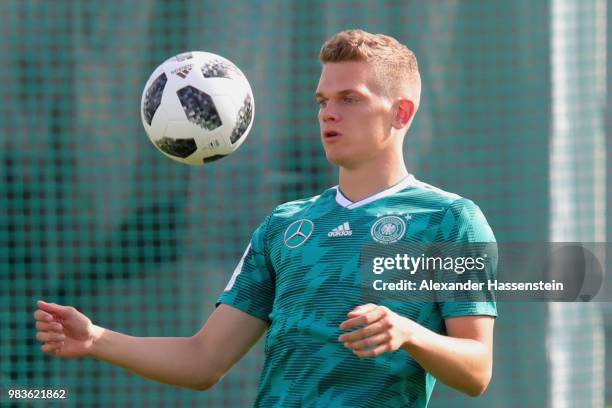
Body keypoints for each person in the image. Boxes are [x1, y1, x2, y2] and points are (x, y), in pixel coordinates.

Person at [34, 29, 497, 407]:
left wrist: (409, 333)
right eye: (322, 100)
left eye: (349, 99)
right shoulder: (285, 225)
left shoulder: (449, 221)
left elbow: (477, 370)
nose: (328, 114)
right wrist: (96, 339)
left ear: (401, 112)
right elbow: (204, 360)